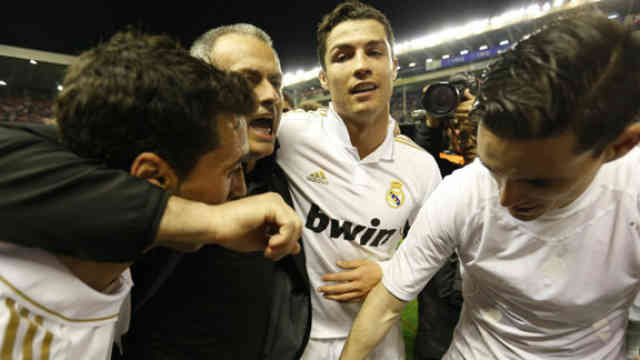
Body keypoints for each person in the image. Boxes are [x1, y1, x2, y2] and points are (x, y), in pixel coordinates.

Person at [341, 12, 640, 360]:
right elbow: (387, 304)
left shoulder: (633, 193)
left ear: (617, 147)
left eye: (536, 180)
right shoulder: (461, 192)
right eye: (492, 168)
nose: (505, 197)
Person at [0, 29, 262, 360]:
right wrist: (210, 219)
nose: (240, 190)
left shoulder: (112, 272)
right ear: (152, 178)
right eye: (230, 170)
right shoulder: (16, 326)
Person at [118, 23, 311, 360]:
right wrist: (211, 220)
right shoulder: (152, 171)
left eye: (276, 83)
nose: (271, 96)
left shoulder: (283, 166)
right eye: (248, 80)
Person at [275, 2, 441, 359]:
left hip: (381, 341)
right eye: (343, 56)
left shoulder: (421, 167)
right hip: (299, 342)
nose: (361, 65)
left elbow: (435, 255)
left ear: (394, 66)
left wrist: (386, 270)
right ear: (323, 77)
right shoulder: (289, 137)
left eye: (374, 52)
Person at [413, 76, 477, 360]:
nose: (466, 130)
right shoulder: (440, 159)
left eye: (474, 121)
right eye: (461, 124)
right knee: (435, 341)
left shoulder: (505, 160)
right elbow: (420, 159)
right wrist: (432, 120)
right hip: (443, 278)